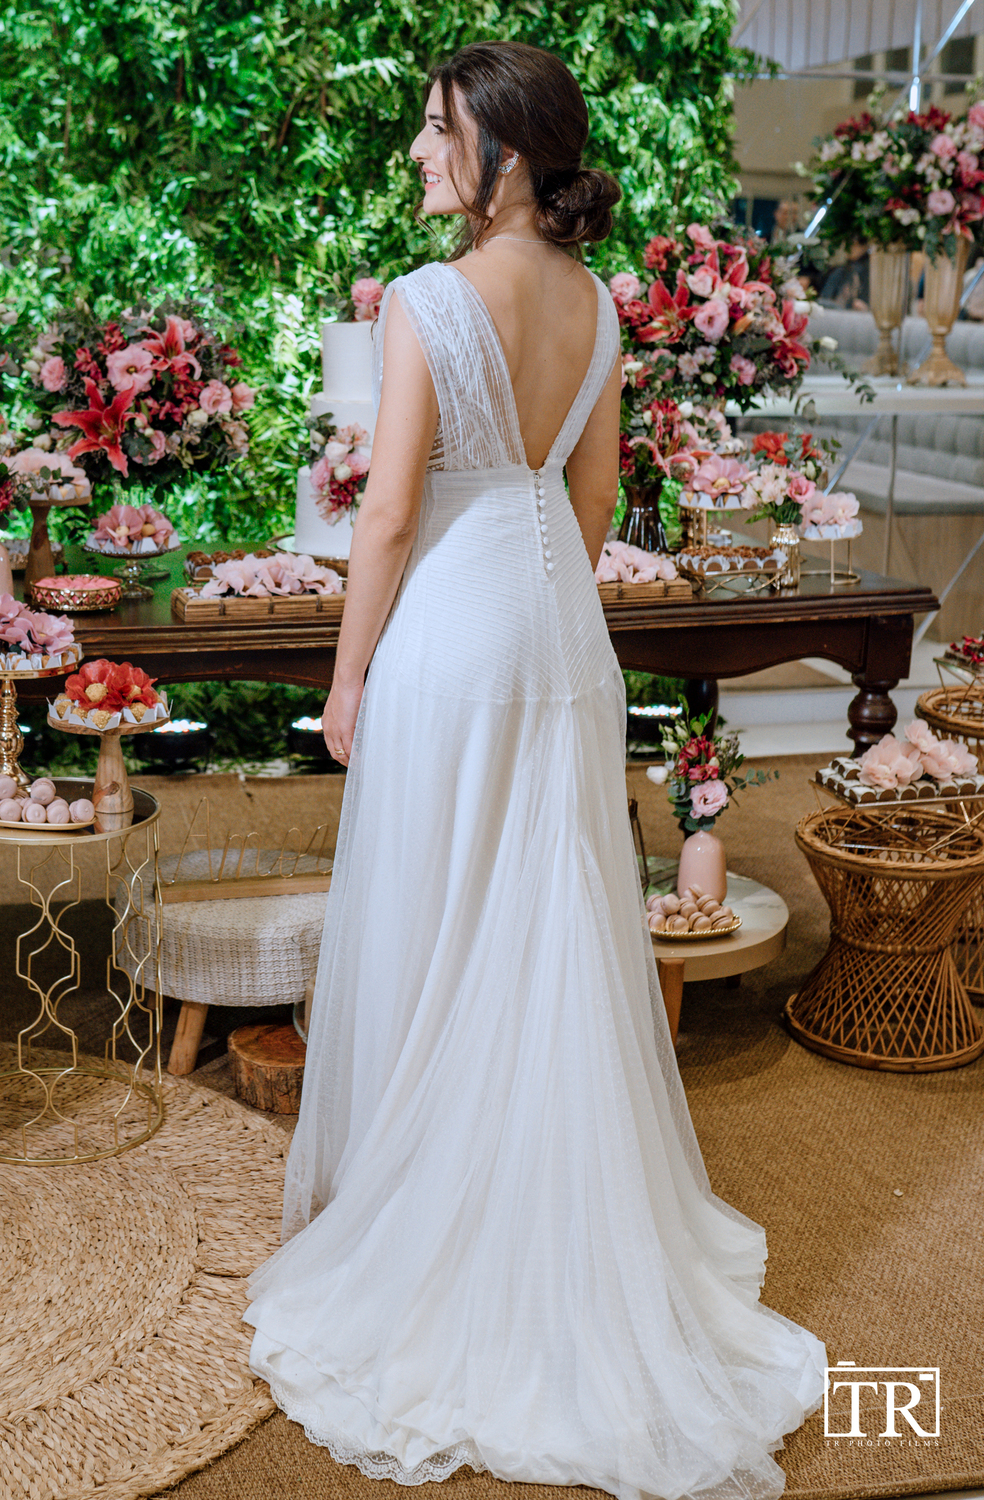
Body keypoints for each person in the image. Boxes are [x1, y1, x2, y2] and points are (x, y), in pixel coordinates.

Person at [243, 40, 827, 1498]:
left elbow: (382, 520)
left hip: (450, 628)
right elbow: (596, 494)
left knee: (441, 916)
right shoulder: (600, 301)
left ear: (504, 153)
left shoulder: (428, 300)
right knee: (549, 913)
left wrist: (346, 675)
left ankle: (438, 1222)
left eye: (440, 134)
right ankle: (554, 1213)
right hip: (560, 626)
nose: (422, 156)